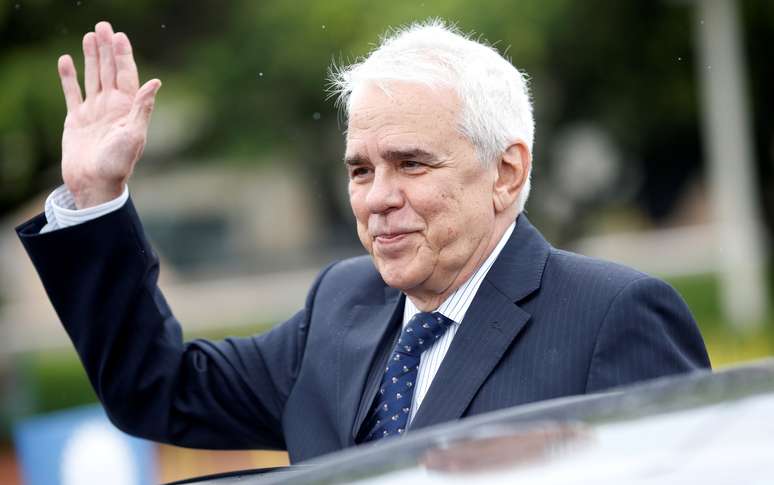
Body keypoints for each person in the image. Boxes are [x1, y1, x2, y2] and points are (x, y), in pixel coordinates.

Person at [16, 19, 710, 462]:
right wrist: (96, 200)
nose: (378, 196)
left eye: (411, 163)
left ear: (507, 171)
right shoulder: (342, 302)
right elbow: (157, 391)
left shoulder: (614, 317)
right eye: (360, 169)